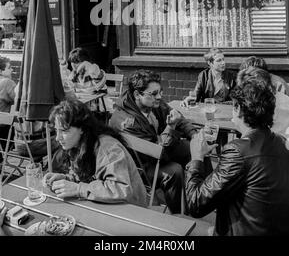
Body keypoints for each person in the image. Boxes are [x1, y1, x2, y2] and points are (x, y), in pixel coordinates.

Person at [185, 79, 289, 235]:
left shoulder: (237, 151)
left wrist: (196, 158)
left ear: (238, 109)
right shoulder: (280, 142)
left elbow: (196, 204)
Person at [110, 70, 201, 214]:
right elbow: (158, 154)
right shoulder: (127, 122)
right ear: (137, 95)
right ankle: (179, 214)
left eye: (160, 92)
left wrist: (194, 135)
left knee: (197, 148)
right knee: (174, 171)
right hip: (138, 166)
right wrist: (171, 127)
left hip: (158, 149)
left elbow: (177, 116)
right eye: (153, 94)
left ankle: (201, 196)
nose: (159, 97)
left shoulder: (151, 102)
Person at [43, 98, 147, 206]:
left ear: (82, 128)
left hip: (130, 209)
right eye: (56, 130)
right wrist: (67, 179)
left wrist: (78, 189)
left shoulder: (108, 149)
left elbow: (120, 189)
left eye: (64, 131)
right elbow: (87, 176)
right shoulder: (79, 143)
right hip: (105, 203)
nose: (57, 138)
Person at [0, 56, 16, 165]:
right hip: (3, 127)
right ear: (1, 71)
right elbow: (19, 99)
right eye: (9, 68)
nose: (12, 70)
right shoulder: (7, 82)